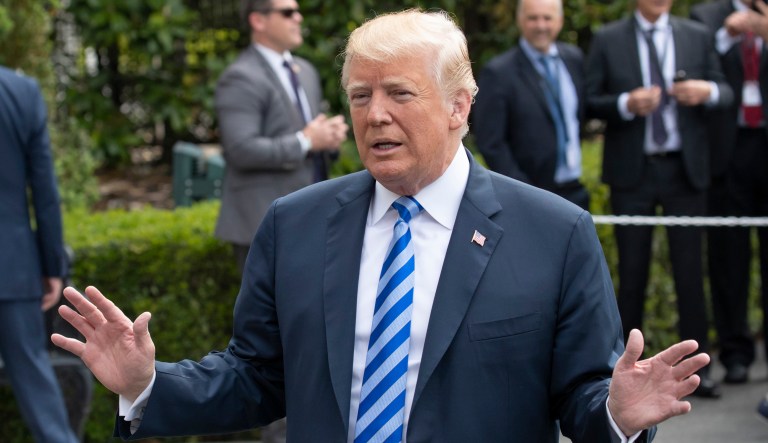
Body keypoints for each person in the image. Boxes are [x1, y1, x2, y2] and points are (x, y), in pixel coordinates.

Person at [53, 9, 711, 442]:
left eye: (399, 93)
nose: (375, 116)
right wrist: (147, 384)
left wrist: (618, 414)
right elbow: (257, 375)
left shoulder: (555, 233)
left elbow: (583, 393)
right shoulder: (295, 224)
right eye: (360, 96)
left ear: (459, 106)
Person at [585, 0, 733, 398]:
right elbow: (589, 100)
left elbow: (726, 91)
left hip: (685, 170)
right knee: (631, 275)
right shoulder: (608, 38)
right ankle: (622, 375)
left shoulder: (696, 35)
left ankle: (696, 372)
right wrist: (625, 104)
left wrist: (706, 91)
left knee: (690, 274)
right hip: (632, 173)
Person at [214, 0, 348, 273]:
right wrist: (306, 141)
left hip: (314, 216)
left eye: (297, 11)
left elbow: (310, 138)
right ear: (258, 21)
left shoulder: (306, 71)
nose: (298, 18)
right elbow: (240, 149)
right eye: (287, 12)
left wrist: (329, 139)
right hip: (263, 223)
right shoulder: (240, 76)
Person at [690, 0, 768, 387]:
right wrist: (728, 35)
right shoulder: (706, 17)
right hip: (728, 151)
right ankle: (735, 353)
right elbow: (700, 67)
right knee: (728, 261)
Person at [0, 65, 78, 443]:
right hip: (11, 266)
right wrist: (52, 266)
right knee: (37, 387)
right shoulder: (21, 91)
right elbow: (45, 192)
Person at [473, 0, 590, 210]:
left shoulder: (574, 59)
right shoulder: (498, 73)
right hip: (529, 194)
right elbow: (491, 142)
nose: (541, 25)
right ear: (520, 21)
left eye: (547, 18)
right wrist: (522, 190)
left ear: (560, 21)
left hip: (575, 190)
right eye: (533, 18)